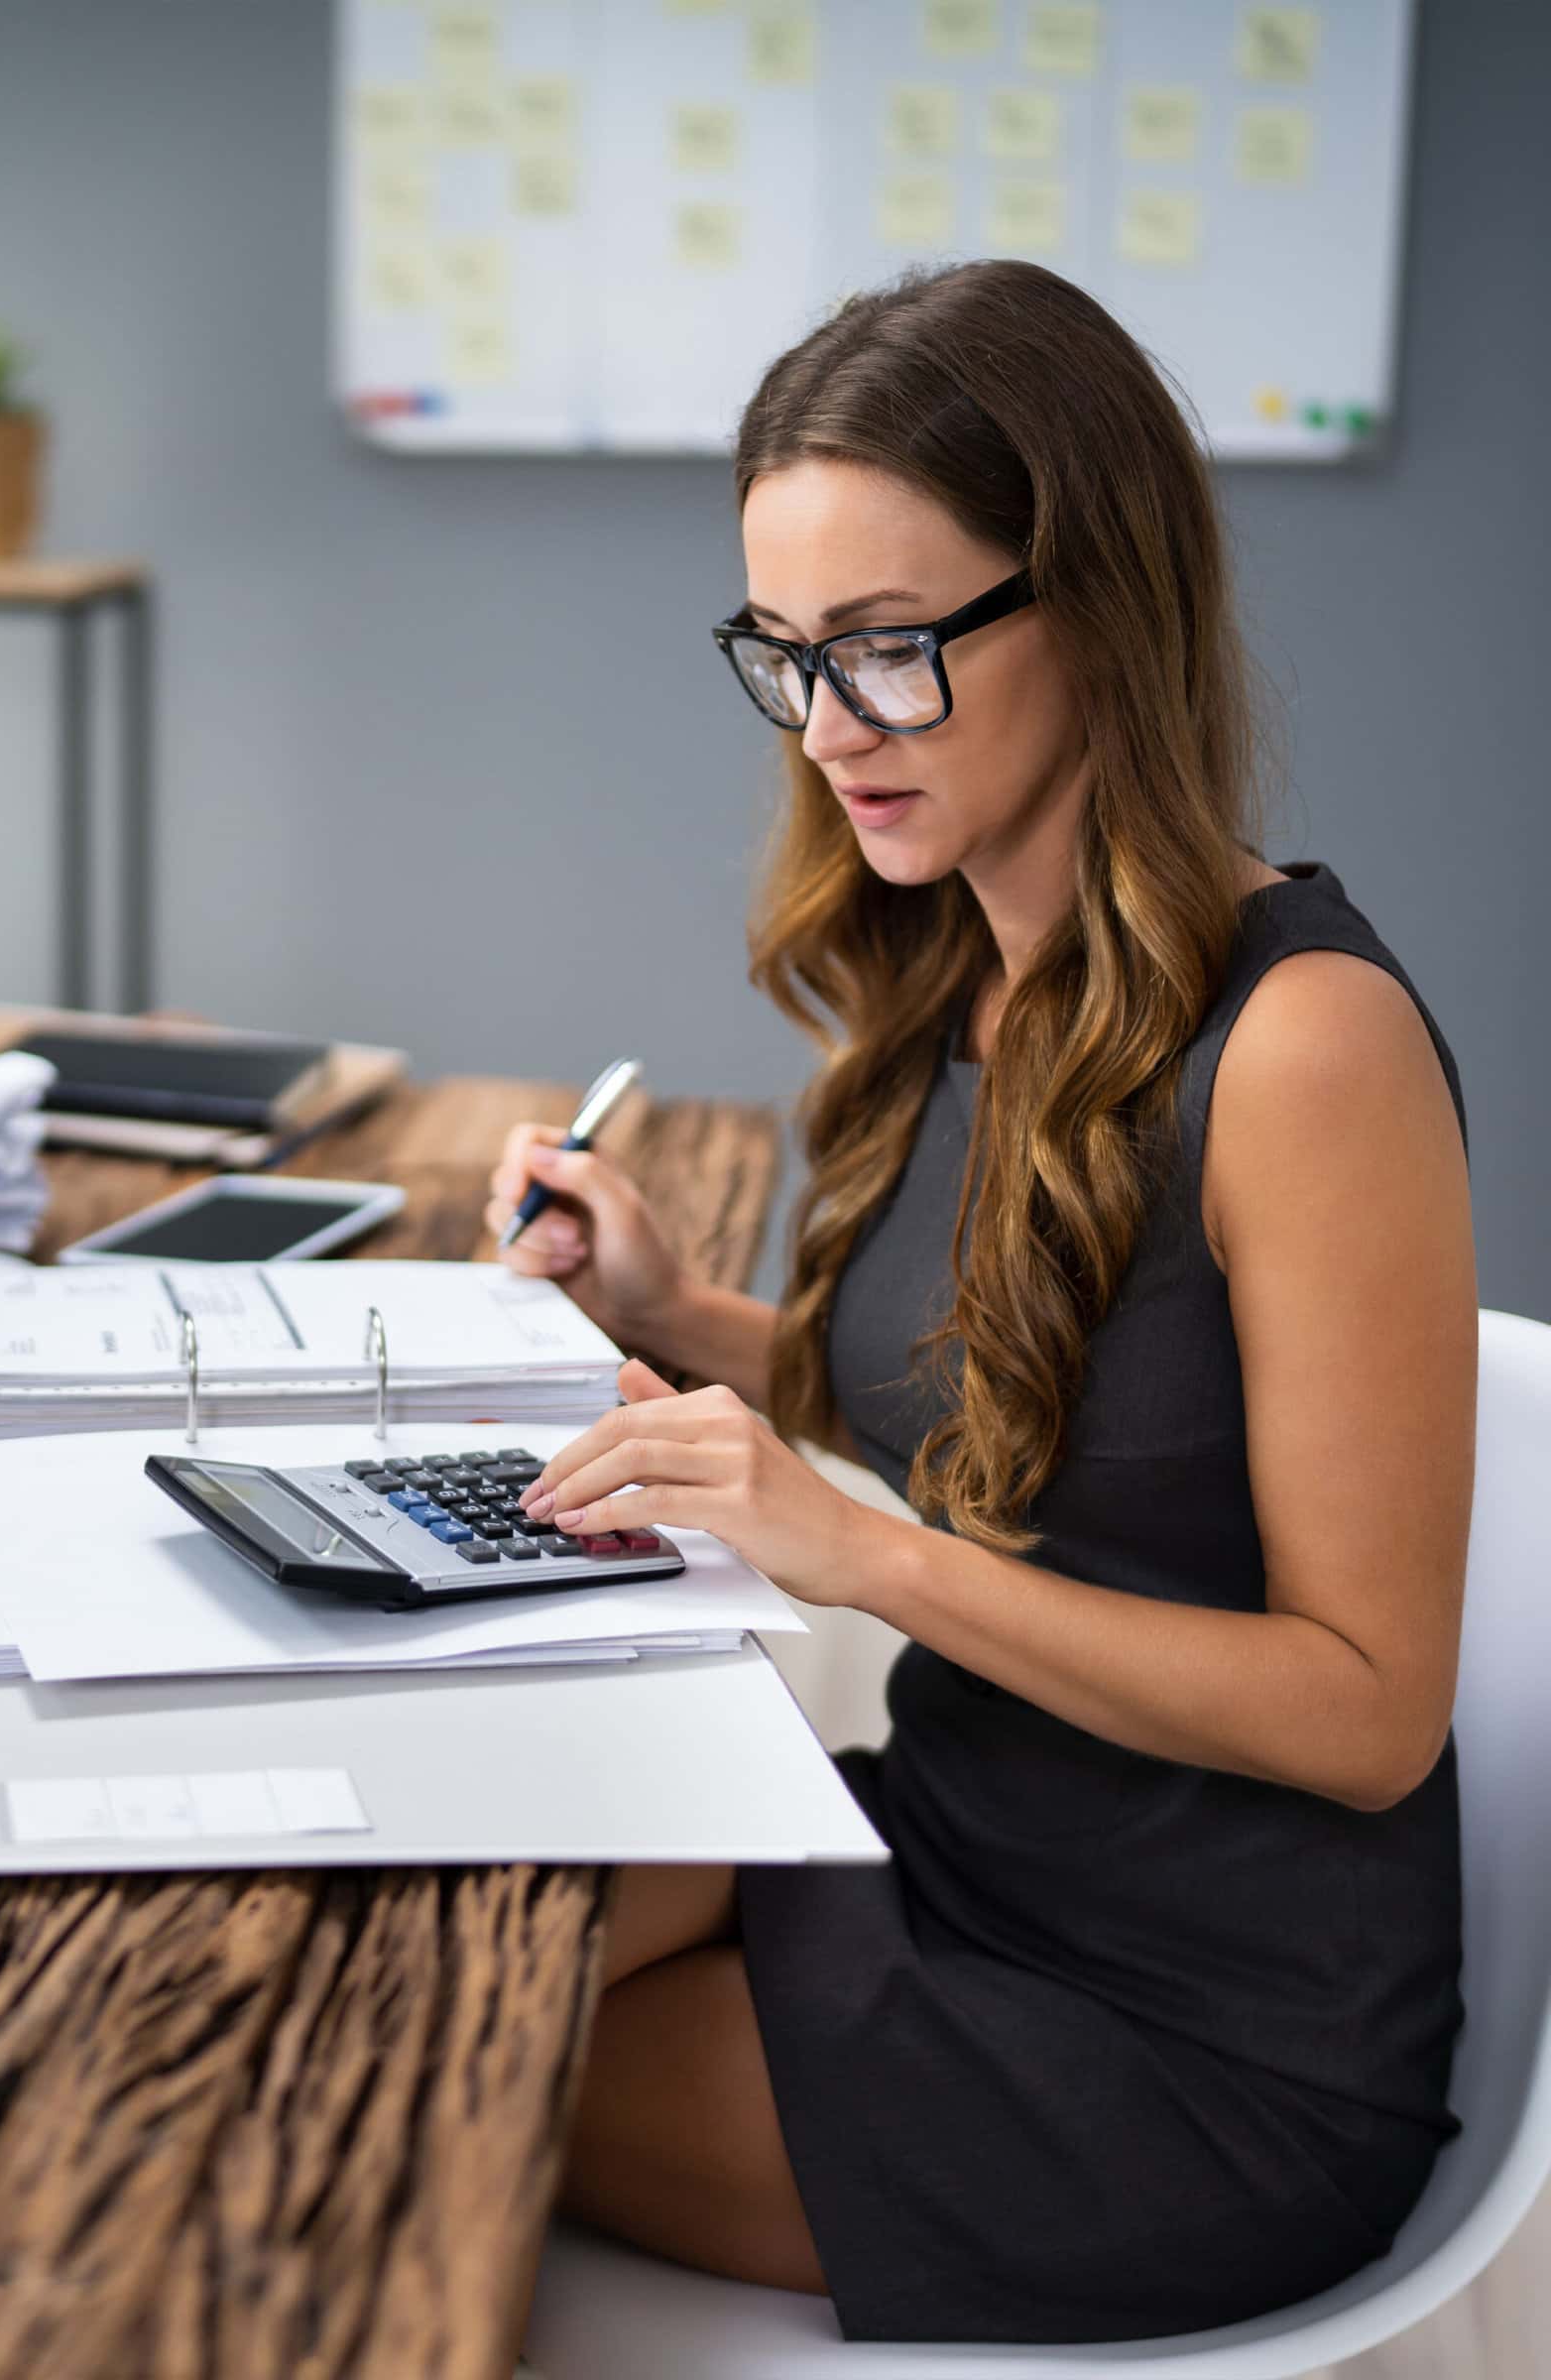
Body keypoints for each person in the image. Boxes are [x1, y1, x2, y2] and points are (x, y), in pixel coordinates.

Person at [488, 259, 1474, 2345]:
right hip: (955, 1847)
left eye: (896, 649)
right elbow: (1048, 1428)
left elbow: (1369, 1711)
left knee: (434, 2076)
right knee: (417, 1940)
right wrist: (690, 1321)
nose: (835, 728)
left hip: (1199, 2047)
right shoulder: (970, 967)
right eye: (790, 654)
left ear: (1101, 600)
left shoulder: (1303, 1046)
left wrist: (859, 1560)